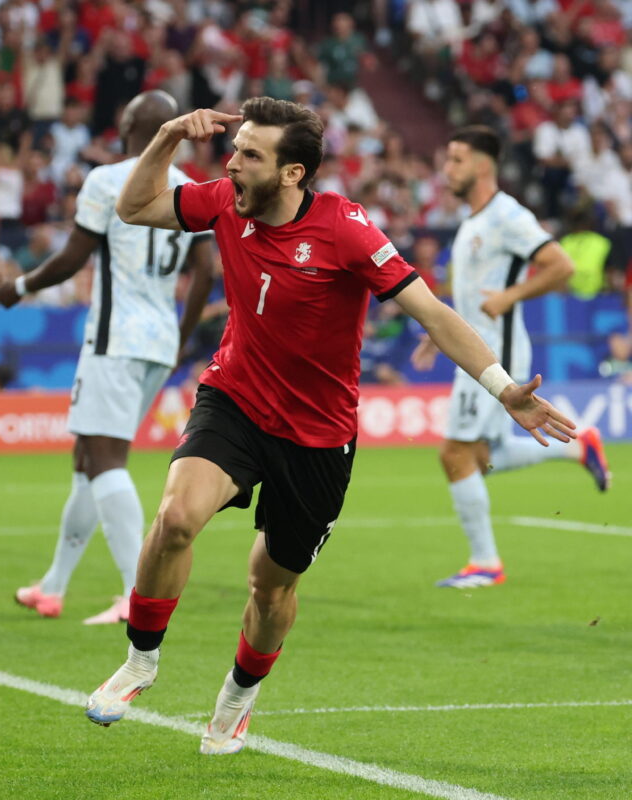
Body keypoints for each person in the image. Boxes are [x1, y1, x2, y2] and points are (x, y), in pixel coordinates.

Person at [83, 99, 576, 754]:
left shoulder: (346, 228)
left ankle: (239, 694)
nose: (233, 163)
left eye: (250, 155)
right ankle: (141, 661)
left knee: (271, 585)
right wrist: (169, 137)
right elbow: (134, 208)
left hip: (316, 436)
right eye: (235, 150)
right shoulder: (226, 201)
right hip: (233, 399)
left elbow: (431, 312)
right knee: (174, 519)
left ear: (292, 174)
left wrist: (505, 388)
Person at [0, 90, 214, 625]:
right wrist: (181, 338)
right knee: (87, 461)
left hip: (114, 340)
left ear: (128, 124)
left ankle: (133, 593)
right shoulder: (192, 188)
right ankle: (54, 585)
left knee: (106, 460)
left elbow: (73, 257)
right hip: (158, 342)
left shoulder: (109, 179)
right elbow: (206, 273)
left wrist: (19, 285)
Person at [411, 125, 611, 590]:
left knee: (455, 455)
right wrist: (437, 334)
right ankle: (581, 446)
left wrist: (510, 297)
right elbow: (470, 293)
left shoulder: (507, 215)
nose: (448, 168)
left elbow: (562, 264)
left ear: (483, 165)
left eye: (457, 159)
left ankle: (485, 562)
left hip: (492, 356)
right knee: (482, 457)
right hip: (474, 349)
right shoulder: (473, 222)